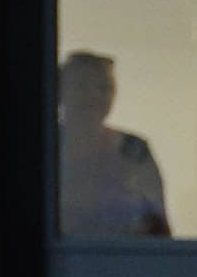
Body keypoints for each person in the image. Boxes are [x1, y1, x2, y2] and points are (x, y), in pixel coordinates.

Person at [56, 51, 171, 238]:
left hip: (123, 261)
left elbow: (158, 227)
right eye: (81, 86)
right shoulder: (42, 145)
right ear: (60, 92)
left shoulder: (134, 149)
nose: (93, 95)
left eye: (104, 87)